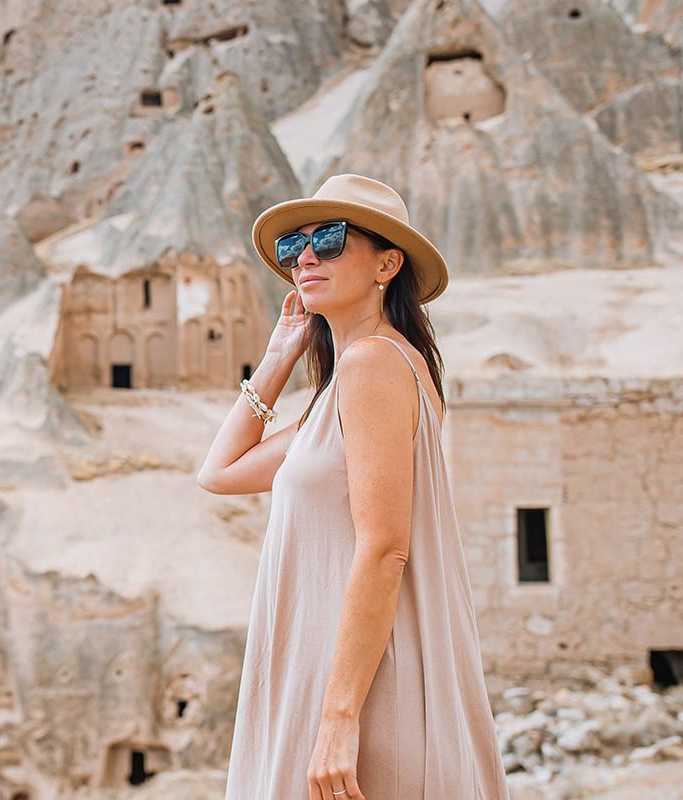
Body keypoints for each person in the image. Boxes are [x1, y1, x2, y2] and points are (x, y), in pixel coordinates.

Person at [197, 174, 510, 799]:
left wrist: (338, 721)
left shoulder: (374, 365)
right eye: (294, 247)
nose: (306, 257)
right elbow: (220, 473)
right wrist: (280, 354)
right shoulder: (352, 383)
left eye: (330, 239)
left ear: (387, 263)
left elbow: (384, 548)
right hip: (334, 683)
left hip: (360, 697)